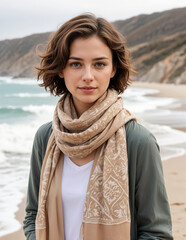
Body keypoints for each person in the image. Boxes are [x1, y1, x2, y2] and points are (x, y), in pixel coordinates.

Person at [23, 13, 173, 240]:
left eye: (99, 64)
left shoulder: (138, 141)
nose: (88, 76)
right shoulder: (46, 137)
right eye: (76, 64)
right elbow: (33, 215)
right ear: (61, 69)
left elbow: (156, 233)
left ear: (113, 69)